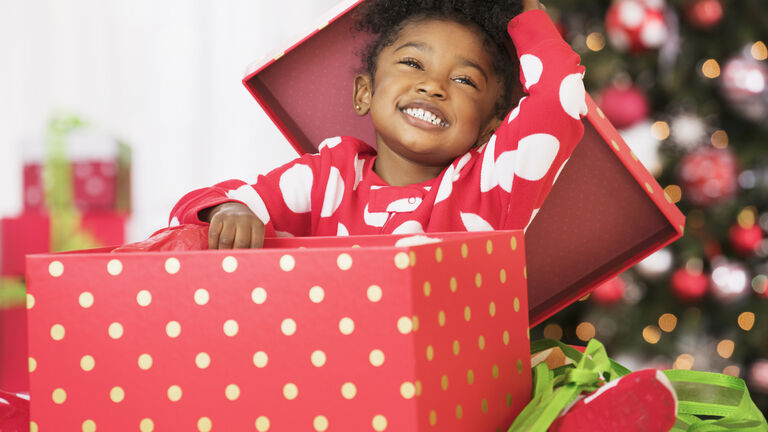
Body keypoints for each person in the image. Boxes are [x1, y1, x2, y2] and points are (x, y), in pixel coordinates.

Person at [170, 0, 588, 250]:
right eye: (412, 63)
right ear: (364, 93)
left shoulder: (489, 189)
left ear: (488, 127)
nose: (433, 85)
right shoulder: (328, 177)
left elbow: (558, 98)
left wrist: (526, 11)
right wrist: (229, 211)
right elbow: (196, 211)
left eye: (464, 80)